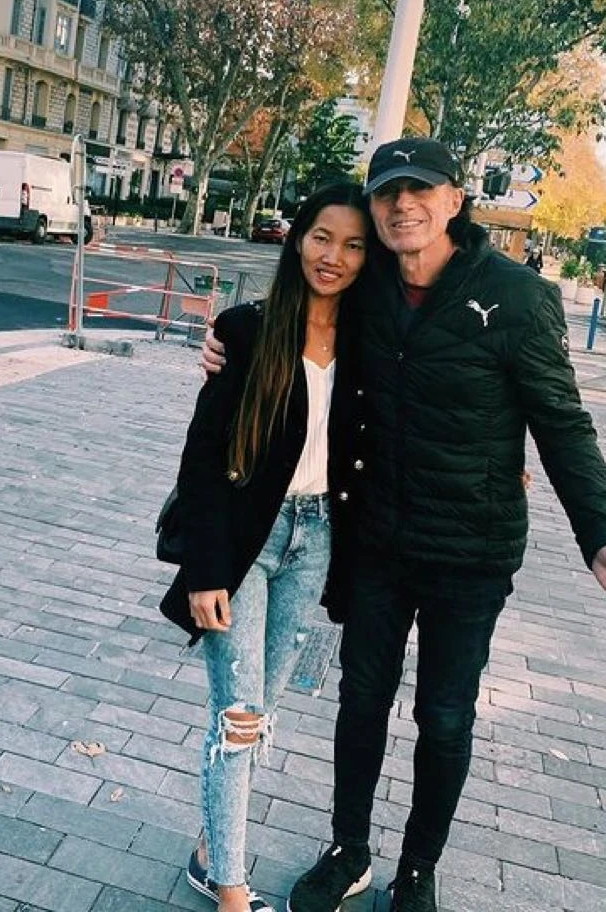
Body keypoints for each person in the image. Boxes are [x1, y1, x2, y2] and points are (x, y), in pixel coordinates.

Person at [201, 137, 606, 912]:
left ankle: (418, 869)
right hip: (376, 542)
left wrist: (602, 535)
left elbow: (562, 424)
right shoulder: (369, 284)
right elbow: (296, 309)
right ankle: (349, 851)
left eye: (421, 190)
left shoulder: (517, 297)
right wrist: (226, 341)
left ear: (455, 200)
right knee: (361, 702)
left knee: (444, 717)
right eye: (388, 192)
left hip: (471, 552)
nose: (402, 205)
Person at [161, 182, 370, 912]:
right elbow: (203, 455)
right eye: (322, 237)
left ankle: (209, 848)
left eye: (353, 245)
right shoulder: (246, 330)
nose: (332, 256)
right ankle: (230, 888)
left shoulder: (372, 344)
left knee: (262, 709)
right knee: (239, 717)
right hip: (246, 540)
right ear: (298, 239)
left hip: (320, 541)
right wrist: (204, 569)